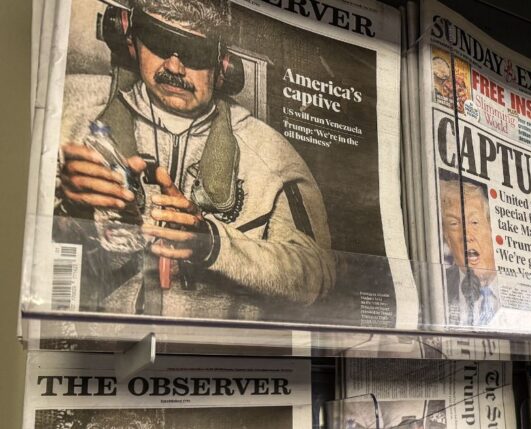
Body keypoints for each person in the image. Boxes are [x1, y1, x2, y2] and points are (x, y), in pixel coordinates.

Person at [55, 0, 334, 319]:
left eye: (195, 52)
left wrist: (213, 244)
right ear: (129, 38)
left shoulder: (271, 152)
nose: (174, 68)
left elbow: (319, 274)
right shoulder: (73, 116)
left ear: (223, 66)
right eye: (159, 42)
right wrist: (71, 211)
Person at [438, 172, 498, 326]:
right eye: (454, 224)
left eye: (474, 222)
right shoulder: (435, 285)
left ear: (491, 227)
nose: (466, 235)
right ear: (447, 239)